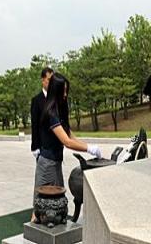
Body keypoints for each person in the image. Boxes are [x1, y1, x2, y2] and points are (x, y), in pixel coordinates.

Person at [35, 73, 101, 210]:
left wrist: (88, 146)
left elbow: (69, 135)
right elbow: (67, 142)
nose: (65, 94)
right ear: (55, 91)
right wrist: (89, 148)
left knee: (57, 204)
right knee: (41, 207)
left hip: (55, 163)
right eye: (62, 91)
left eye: (66, 90)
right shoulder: (51, 113)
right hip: (47, 164)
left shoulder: (59, 109)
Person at [30, 67, 53, 220]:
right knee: (41, 180)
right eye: (49, 80)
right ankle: (36, 212)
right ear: (42, 80)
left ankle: (50, 211)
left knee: (53, 182)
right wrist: (35, 146)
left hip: (54, 146)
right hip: (42, 147)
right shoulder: (37, 100)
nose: (51, 83)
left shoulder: (55, 99)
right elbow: (34, 125)